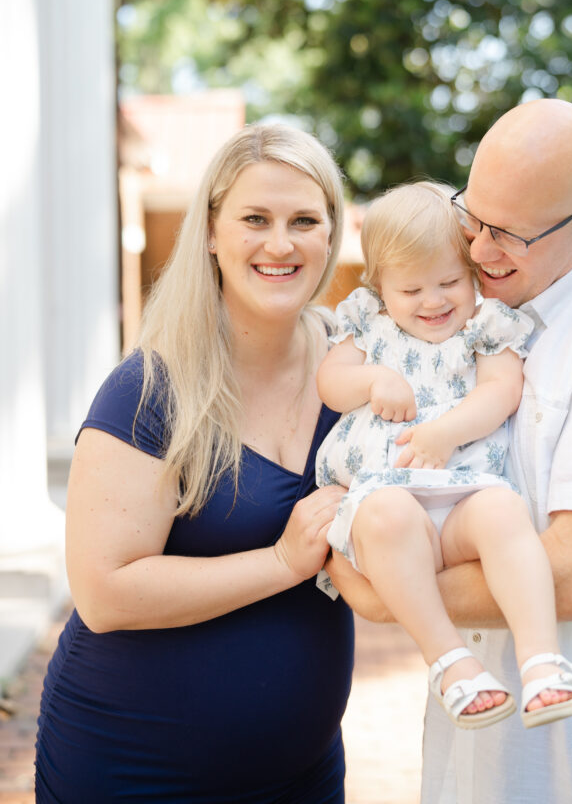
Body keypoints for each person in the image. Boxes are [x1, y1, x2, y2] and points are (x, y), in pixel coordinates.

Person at [326, 99, 572, 804]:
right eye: (473, 218)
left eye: (510, 234)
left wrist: (379, 586)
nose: (479, 250)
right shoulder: (470, 309)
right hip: (474, 749)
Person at [35, 122, 355, 804]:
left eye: (304, 219)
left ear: (331, 233)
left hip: (302, 774)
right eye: (254, 219)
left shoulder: (358, 369)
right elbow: (104, 592)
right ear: (211, 231)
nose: (280, 243)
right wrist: (281, 563)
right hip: (134, 770)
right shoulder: (150, 388)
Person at [316, 181, 572, 730]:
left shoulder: (484, 325)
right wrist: (372, 377)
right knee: (387, 515)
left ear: (471, 274)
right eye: (412, 289)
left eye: (449, 282)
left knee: (503, 513)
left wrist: (446, 431)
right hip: (386, 497)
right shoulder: (369, 323)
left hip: (462, 489)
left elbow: (500, 390)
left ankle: (541, 661)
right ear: (380, 287)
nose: (434, 301)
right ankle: (450, 662)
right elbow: (330, 383)